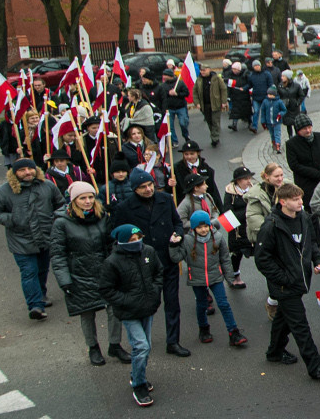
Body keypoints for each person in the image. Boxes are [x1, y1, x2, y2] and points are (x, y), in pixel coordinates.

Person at [255, 182, 320, 381]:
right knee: (300, 325)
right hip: (284, 285)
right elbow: (262, 259)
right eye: (295, 199)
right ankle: (315, 366)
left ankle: (274, 352)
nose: (301, 202)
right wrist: (284, 278)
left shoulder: (304, 218)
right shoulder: (271, 225)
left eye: (300, 198)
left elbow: (312, 243)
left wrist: (318, 259)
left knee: (283, 318)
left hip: (299, 280)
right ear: (283, 202)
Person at [110, 172, 189, 358]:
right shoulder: (125, 208)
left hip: (167, 259)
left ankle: (173, 341)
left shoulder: (165, 199)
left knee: (172, 303)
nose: (148, 189)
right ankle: (142, 343)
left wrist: (177, 234)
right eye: (143, 187)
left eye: (150, 185)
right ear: (134, 189)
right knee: (146, 304)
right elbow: (117, 236)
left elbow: (177, 222)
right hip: (143, 263)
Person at [0, 157, 63, 320]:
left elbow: (61, 205)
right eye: (22, 170)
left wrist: (54, 219)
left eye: (30, 169)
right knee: (29, 272)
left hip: (45, 237)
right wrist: (13, 219)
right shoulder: (4, 191)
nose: (27, 172)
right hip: (21, 240)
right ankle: (35, 305)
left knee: (42, 269)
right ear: (14, 173)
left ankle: (41, 295)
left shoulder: (47, 186)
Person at [49, 182, 113, 364]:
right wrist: (64, 280)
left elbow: (110, 244)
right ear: (74, 200)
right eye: (82, 198)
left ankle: (114, 344)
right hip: (79, 274)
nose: (88, 201)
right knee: (87, 312)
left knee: (114, 309)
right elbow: (57, 253)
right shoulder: (62, 222)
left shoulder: (102, 216)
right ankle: (93, 347)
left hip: (103, 271)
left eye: (91, 197)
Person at [101, 224, 164, 406]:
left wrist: (154, 291)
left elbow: (158, 273)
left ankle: (137, 374)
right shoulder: (112, 262)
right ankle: (139, 385)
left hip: (147, 308)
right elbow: (106, 289)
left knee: (146, 346)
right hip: (128, 312)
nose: (137, 243)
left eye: (139, 238)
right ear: (121, 242)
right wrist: (126, 300)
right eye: (132, 240)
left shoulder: (149, 252)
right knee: (141, 346)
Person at [181, 209, 246, 348]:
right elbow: (176, 257)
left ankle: (233, 332)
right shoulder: (187, 240)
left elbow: (225, 258)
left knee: (223, 303)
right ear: (193, 228)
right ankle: (204, 329)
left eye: (206, 226)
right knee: (201, 305)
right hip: (197, 278)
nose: (203, 230)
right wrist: (173, 245)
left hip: (215, 276)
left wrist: (230, 278)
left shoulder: (217, 237)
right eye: (199, 227)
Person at [285, 115, 320, 203]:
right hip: (306, 183)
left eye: (309, 127)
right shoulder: (291, 144)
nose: (308, 130)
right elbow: (294, 165)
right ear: (298, 130)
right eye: (304, 128)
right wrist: (315, 173)